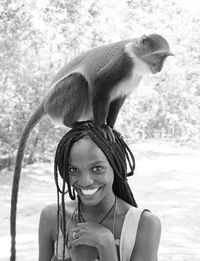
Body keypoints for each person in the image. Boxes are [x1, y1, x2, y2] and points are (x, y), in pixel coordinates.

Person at [38, 123, 161, 261]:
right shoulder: (53, 217)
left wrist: (105, 244)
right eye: (73, 170)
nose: (85, 181)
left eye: (97, 169)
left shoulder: (144, 224)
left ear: (116, 166)